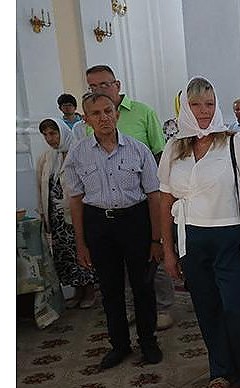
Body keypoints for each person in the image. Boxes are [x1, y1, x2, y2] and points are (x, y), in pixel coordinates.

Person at [157, 77, 240, 388]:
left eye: (209, 104)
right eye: (196, 105)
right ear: (185, 108)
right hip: (192, 239)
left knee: (237, 308)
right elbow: (165, 201)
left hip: (232, 238)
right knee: (207, 307)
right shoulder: (173, 149)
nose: (204, 111)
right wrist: (167, 250)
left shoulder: (236, 143)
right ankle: (220, 368)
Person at [64, 93, 164, 369]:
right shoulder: (78, 154)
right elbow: (75, 199)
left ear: (117, 113)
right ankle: (119, 345)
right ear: (86, 120)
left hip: (135, 222)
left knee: (143, 286)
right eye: (96, 113)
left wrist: (156, 239)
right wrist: (81, 243)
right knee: (110, 289)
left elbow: (154, 195)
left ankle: (148, 341)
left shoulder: (138, 150)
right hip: (98, 224)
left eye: (108, 111)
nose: (104, 117)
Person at [84, 64, 175, 330]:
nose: (98, 90)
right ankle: (135, 308)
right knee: (120, 266)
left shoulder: (143, 112)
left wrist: (161, 198)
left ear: (117, 85)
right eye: (92, 87)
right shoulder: (90, 120)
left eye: (103, 84)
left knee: (152, 255)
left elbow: (160, 153)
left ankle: (163, 307)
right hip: (108, 206)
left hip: (143, 201)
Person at [36, 117, 98, 309]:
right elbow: (40, 186)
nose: (49, 138)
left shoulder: (79, 152)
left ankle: (89, 291)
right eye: (45, 135)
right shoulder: (46, 157)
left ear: (62, 132)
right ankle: (77, 291)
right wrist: (42, 213)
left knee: (81, 250)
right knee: (64, 255)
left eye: (53, 133)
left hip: (75, 215)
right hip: (56, 217)